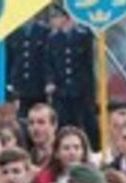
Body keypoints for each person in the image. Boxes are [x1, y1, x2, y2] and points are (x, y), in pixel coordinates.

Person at [44, 6, 97, 135]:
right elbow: (48, 62)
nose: (53, 21)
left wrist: (90, 90)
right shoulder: (53, 39)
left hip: (80, 89)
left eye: (56, 17)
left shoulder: (83, 36)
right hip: (61, 89)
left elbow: (88, 64)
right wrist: (50, 81)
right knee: (62, 123)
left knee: (84, 123)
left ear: (65, 18)